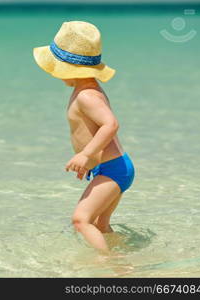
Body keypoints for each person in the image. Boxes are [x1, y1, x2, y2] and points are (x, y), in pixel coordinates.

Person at [33, 21, 135, 254]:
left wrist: (86, 153)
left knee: (81, 220)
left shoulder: (87, 96)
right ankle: (124, 259)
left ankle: (109, 264)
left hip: (114, 169)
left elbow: (111, 124)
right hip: (111, 167)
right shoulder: (87, 90)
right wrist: (90, 161)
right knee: (100, 224)